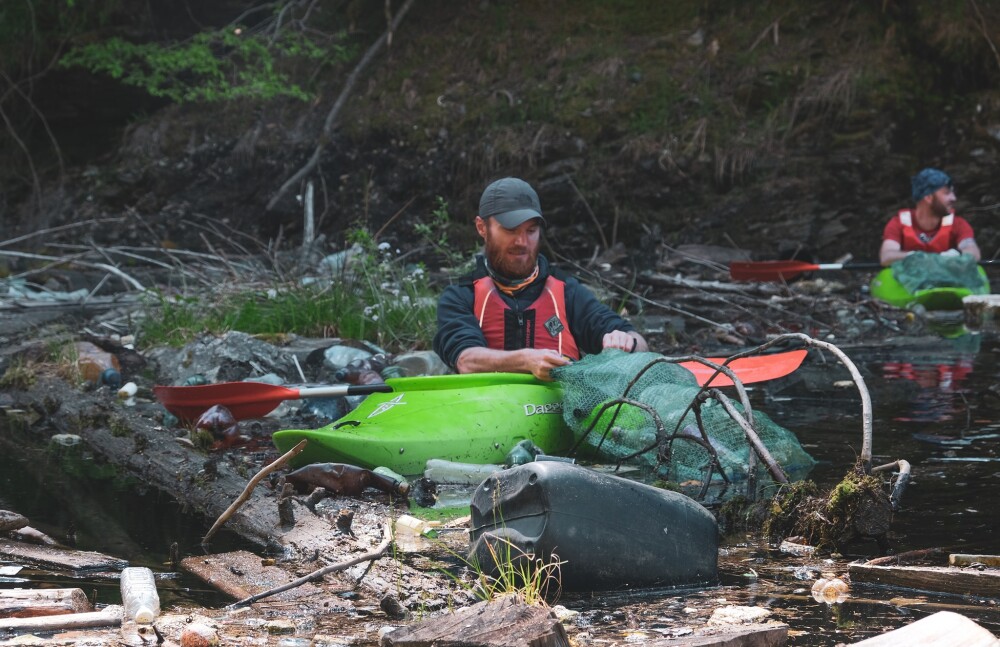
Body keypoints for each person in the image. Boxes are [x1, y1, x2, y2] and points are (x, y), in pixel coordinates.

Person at [433, 177, 648, 381]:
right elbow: (466, 360)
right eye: (510, 230)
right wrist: (527, 360)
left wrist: (626, 341)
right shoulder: (460, 296)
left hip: (558, 409)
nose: (522, 242)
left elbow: (641, 345)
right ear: (482, 228)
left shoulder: (567, 291)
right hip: (486, 410)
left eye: (531, 230)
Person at [879, 168, 981, 266]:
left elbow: (974, 253)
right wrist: (915, 257)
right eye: (947, 193)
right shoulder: (898, 223)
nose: (953, 198)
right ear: (928, 197)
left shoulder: (958, 224)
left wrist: (955, 255)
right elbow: (887, 256)